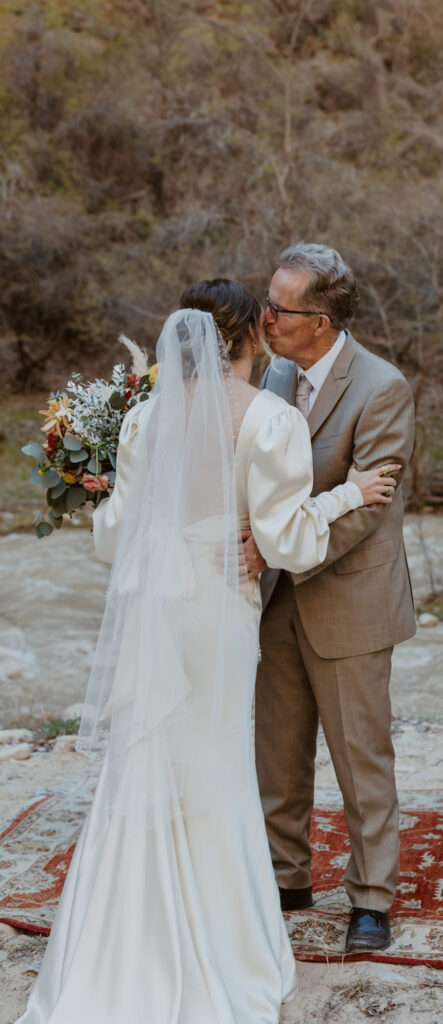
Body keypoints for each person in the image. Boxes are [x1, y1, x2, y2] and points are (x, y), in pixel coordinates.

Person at [16, 283, 398, 1024]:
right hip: (218, 607)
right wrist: (348, 494)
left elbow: (114, 536)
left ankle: (117, 947)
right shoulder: (270, 419)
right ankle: (224, 947)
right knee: (216, 764)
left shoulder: (144, 419)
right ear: (253, 334)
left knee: (147, 759)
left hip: (156, 606)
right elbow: (284, 539)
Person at [254, 243, 416, 953]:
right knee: (276, 754)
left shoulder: (382, 388)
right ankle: (285, 878)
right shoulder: (268, 378)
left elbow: (365, 508)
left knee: (361, 758)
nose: (264, 320)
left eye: (278, 310)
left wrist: (277, 545)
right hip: (270, 598)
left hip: (347, 597)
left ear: (317, 320)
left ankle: (371, 899)